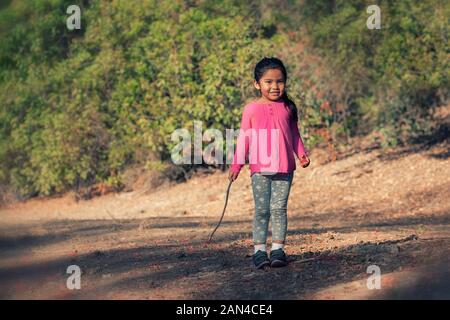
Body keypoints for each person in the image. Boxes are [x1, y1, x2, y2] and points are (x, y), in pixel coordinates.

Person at [228, 57, 310, 269]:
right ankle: (259, 251)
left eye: (279, 81)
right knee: (262, 209)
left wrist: (301, 153)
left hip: (284, 167)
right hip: (260, 169)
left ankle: (278, 250)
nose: (275, 86)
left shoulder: (288, 108)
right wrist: (236, 165)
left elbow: (294, 134)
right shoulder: (251, 109)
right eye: (268, 82)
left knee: (279, 208)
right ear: (257, 84)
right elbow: (244, 138)